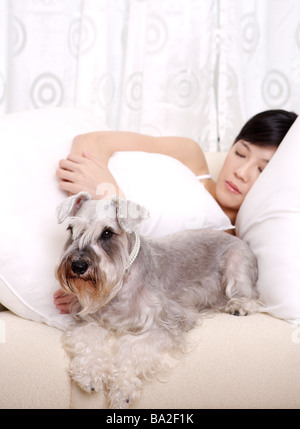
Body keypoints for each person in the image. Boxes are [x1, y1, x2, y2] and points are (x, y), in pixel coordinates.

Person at [54, 109, 297, 313]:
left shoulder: (227, 249)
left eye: (261, 170)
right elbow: (89, 143)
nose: (241, 172)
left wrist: (102, 284)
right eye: (240, 153)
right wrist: (111, 198)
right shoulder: (190, 157)